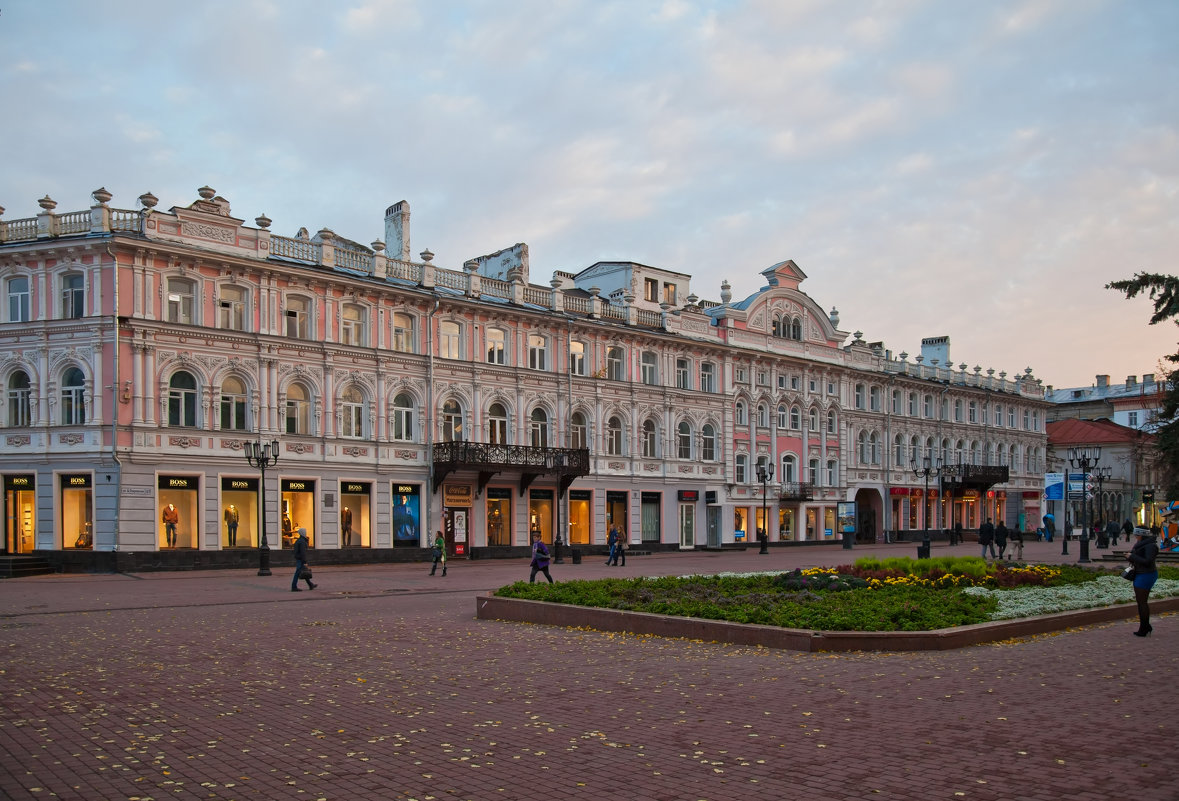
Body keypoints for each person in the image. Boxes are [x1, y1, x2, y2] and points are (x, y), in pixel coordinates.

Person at [1126, 526, 1159, 637]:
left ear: (1141, 535)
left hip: (1147, 574)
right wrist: (1130, 557)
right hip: (1141, 573)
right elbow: (1138, 558)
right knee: (1141, 602)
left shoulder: (1151, 546)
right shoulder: (1140, 544)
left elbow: (1148, 561)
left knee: (1142, 602)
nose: (1135, 537)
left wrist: (1132, 556)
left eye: (1137, 535)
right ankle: (1145, 626)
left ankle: (1144, 628)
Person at [291, 528, 316, 592]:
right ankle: (294, 586)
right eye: (305, 532)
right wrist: (304, 561)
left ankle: (310, 584)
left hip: (299, 558)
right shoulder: (302, 541)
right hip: (301, 559)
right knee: (298, 572)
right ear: (302, 533)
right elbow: (303, 552)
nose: (305, 533)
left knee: (304, 572)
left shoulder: (299, 540)